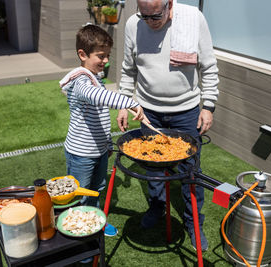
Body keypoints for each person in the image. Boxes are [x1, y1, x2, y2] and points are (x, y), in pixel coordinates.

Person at [117, 0, 219, 251]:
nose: (150, 22)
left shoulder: (193, 18)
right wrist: (123, 102)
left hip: (186, 111)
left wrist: (208, 105)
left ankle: (193, 222)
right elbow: (128, 69)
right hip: (148, 110)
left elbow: (208, 65)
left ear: (169, 4)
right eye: (145, 16)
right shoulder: (133, 24)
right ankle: (157, 208)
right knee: (153, 168)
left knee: (190, 171)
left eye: (156, 16)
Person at [60, 24, 148, 240]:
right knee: (79, 195)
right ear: (82, 54)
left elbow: (99, 119)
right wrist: (131, 104)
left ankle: (95, 222)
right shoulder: (81, 81)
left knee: (97, 189)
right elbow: (101, 98)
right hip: (81, 154)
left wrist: (107, 144)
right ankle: (78, 233)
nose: (106, 61)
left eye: (107, 55)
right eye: (101, 56)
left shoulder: (95, 78)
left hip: (98, 151)